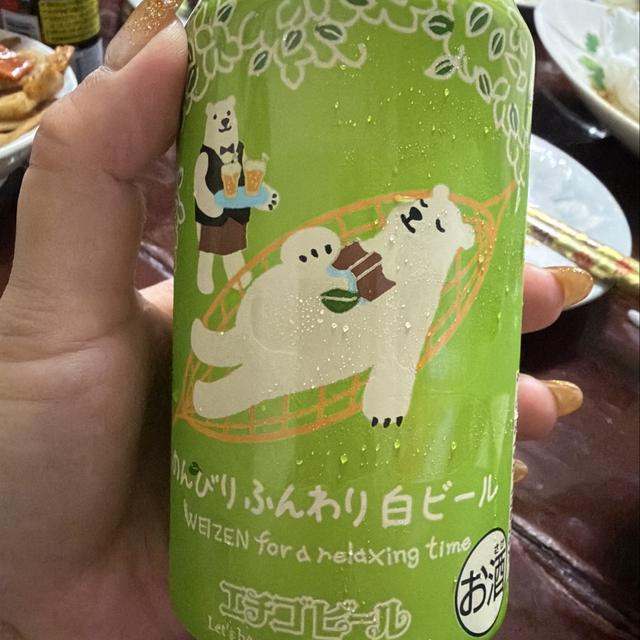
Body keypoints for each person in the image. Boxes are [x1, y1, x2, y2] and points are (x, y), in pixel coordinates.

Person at [0, 3, 593, 639]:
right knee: (293, 357)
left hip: (361, 509)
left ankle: (227, 371)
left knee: (324, 368)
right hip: (258, 470)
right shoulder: (240, 20)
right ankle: (227, 362)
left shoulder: (486, 32)